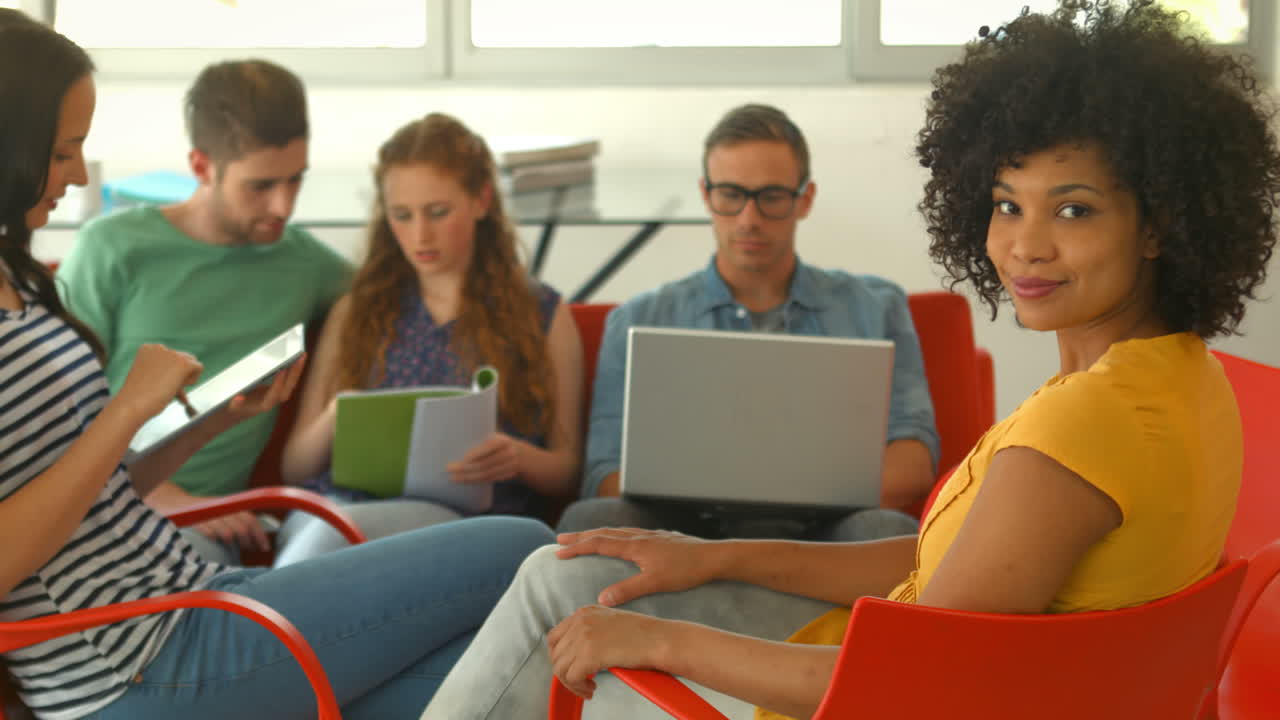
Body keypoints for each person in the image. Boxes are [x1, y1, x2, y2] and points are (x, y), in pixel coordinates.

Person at [418, 1, 1278, 717]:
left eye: (1076, 210)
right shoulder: (1185, 379)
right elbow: (939, 568)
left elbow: (909, 683)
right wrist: (714, 555)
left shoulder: (1083, 422)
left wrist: (660, 639)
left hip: (843, 694)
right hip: (901, 655)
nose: (1025, 246)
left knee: (556, 589)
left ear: (1162, 222)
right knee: (585, 568)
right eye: (1008, 204)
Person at [0, 14, 553, 720]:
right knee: (525, 546)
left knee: (528, 668)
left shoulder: (17, 277)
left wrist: (209, 423)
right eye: (63, 150)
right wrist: (126, 411)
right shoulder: (105, 252)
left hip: (193, 606)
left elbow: (94, 494)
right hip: (137, 664)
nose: (79, 174)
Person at [557, 103, 939, 542]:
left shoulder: (874, 307)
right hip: (682, 533)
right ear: (706, 195)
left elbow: (913, 465)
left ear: (805, 199)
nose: (749, 219)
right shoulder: (639, 319)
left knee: (889, 531)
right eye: (731, 195)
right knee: (588, 521)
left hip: (822, 536)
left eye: (771, 197)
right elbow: (604, 474)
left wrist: (771, 488)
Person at [56, 59, 352, 565]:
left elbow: (397, 293)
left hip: (210, 538)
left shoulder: (304, 262)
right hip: (105, 511)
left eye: (295, 180)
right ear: (201, 167)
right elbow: (54, 403)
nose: (283, 206)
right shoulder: (113, 248)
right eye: (260, 186)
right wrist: (169, 497)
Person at [273, 112, 583, 566]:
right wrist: (338, 415)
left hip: (462, 525)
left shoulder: (543, 315)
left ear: (481, 201)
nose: (420, 235)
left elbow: (568, 470)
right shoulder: (356, 312)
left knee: (327, 545)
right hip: (339, 511)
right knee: (326, 534)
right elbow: (294, 469)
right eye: (402, 216)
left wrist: (517, 458)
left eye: (438, 212)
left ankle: (266, 622)